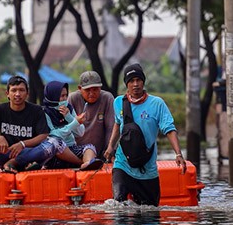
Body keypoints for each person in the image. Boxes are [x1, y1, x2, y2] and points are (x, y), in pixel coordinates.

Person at [103, 63, 187, 206]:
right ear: (126, 84)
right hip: (123, 165)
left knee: (150, 213)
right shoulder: (118, 102)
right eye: (131, 81)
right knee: (117, 206)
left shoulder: (157, 104)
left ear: (143, 82)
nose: (135, 84)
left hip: (147, 169)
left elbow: (169, 129)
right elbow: (118, 123)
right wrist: (111, 146)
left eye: (138, 80)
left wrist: (178, 154)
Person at [0, 75, 60, 172]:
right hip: (8, 153)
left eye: (21, 90)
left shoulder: (37, 110)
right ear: (7, 93)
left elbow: (43, 135)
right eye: (14, 90)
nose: (17, 94)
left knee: (54, 143)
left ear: (27, 93)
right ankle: (19, 163)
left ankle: (12, 163)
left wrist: (22, 144)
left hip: (31, 153)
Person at [41, 80, 104, 171]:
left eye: (66, 95)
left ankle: (88, 163)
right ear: (53, 96)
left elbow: (80, 132)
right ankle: (80, 162)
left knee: (89, 147)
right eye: (61, 96)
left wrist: (69, 117)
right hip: (56, 152)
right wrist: (74, 123)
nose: (64, 99)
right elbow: (53, 135)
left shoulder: (68, 107)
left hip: (71, 148)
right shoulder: (45, 112)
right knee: (57, 144)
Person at [67, 71, 115, 156]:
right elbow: (67, 128)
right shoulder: (73, 98)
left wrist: (109, 148)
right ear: (79, 88)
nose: (92, 93)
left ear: (100, 87)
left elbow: (110, 127)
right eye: (87, 90)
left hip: (101, 152)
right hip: (76, 152)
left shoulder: (107, 98)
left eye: (95, 89)